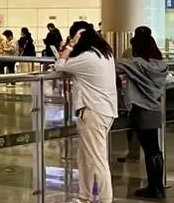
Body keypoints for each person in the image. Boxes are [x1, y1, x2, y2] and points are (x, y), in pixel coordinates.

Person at [54, 21, 116, 203]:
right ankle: (84, 196)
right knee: (85, 157)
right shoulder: (105, 54)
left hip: (93, 112)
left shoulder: (88, 57)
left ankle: (105, 199)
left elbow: (60, 65)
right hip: (103, 111)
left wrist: (71, 45)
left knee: (97, 160)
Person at [117, 26, 167, 199]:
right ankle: (158, 186)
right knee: (155, 150)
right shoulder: (160, 64)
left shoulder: (137, 64)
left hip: (142, 110)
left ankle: (154, 188)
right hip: (155, 109)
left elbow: (116, 65)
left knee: (149, 149)